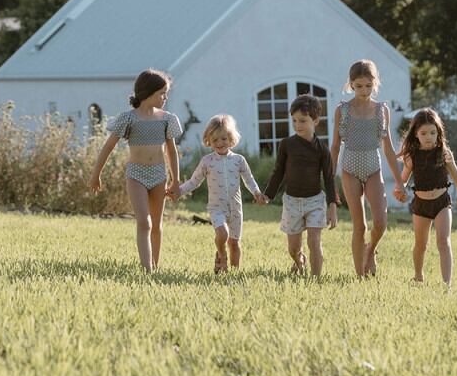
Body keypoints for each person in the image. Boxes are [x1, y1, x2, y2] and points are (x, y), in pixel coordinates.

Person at [88, 69, 181, 272]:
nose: (165, 98)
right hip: (136, 175)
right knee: (144, 222)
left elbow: (171, 151)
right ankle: (147, 269)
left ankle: (155, 265)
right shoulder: (128, 119)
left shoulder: (167, 119)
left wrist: (176, 180)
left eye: (166, 93)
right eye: (162, 93)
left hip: (159, 175)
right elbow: (108, 147)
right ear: (148, 92)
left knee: (156, 224)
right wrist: (96, 174)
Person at [330, 59, 405, 278]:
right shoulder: (342, 110)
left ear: (375, 83)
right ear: (351, 84)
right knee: (360, 226)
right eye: (359, 86)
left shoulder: (382, 110)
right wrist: (330, 181)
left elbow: (388, 148)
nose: (364, 91)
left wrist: (399, 182)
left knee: (380, 222)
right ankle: (359, 276)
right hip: (349, 170)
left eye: (368, 86)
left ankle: (370, 251)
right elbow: (335, 147)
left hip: (373, 169)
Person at [174, 114, 267, 273]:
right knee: (222, 233)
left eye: (223, 139)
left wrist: (257, 193)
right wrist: (179, 191)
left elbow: (249, 180)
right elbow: (194, 181)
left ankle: (234, 273)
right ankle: (222, 255)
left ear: (231, 138)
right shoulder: (207, 161)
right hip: (217, 208)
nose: (219, 143)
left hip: (235, 208)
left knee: (234, 243)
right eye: (215, 140)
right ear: (208, 140)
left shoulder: (239, 160)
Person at [263, 94, 338, 276]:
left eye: (303, 121)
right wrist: (268, 195)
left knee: (314, 241)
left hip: (315, 201)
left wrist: (332, 206)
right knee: (293, 248)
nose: (298, 125)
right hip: (292, 202)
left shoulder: (322, 149)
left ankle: (316, 280)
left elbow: (329, 178)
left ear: (315, 121)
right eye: (294, 121)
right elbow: (278, 172)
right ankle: (299, 261)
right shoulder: (286, 145)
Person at [397, 107, 457, 289]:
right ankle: (418, 276)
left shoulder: (444, 152)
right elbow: (403, 180)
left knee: (443, 242)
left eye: (433, 133)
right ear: (416, 134)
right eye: (424, 133)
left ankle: (446, 285)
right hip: (421, 205)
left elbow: (456, 175)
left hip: (442, 202)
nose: (428, 137)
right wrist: (399, 190)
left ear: (438, 133)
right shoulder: (412, 156)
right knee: (421, 245)